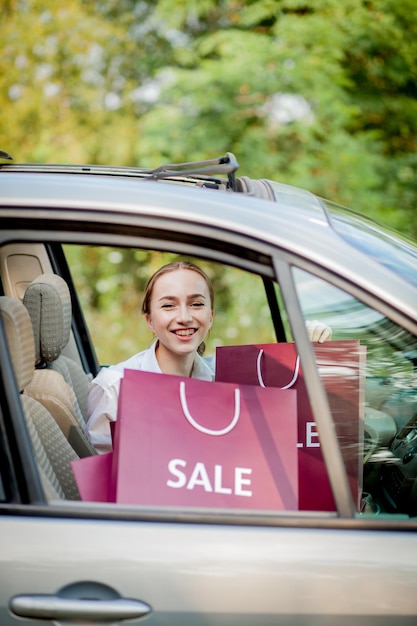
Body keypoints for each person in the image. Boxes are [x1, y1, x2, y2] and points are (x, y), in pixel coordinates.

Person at [86, 260, 332, 452]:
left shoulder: (227, 383)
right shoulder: (115, 388)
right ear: (150, 320)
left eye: (196, 304)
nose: (184, 317)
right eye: (168, 305)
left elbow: (288, 424)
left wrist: (311, 351)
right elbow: (102, 486)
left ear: (211, 316)